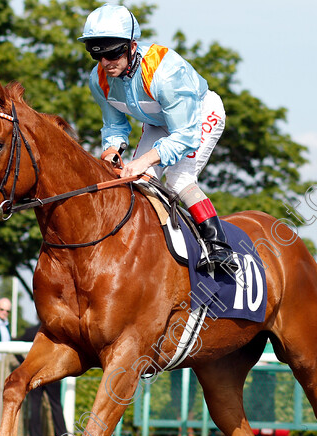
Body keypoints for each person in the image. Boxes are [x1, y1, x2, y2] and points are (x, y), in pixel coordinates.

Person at [79, 4, 237, 273]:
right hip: (158, 122)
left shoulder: (165, 72)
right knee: (138, 182)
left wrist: (142, 162)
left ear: (132, 46)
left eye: (114, 53)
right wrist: (111, 153)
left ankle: (218, 246)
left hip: (197, 117)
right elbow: (114, 126)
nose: (106, 63)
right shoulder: (99, 79)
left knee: (177, 179)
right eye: (98, 55)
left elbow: (185, 136)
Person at [19, 324, 68, 436]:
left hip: (35, 373)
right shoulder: (56, 330)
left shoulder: (30, 331)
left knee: (35, 405)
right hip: (52, 372)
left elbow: (14, 344)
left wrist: (23, 364)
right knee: (56, 405)